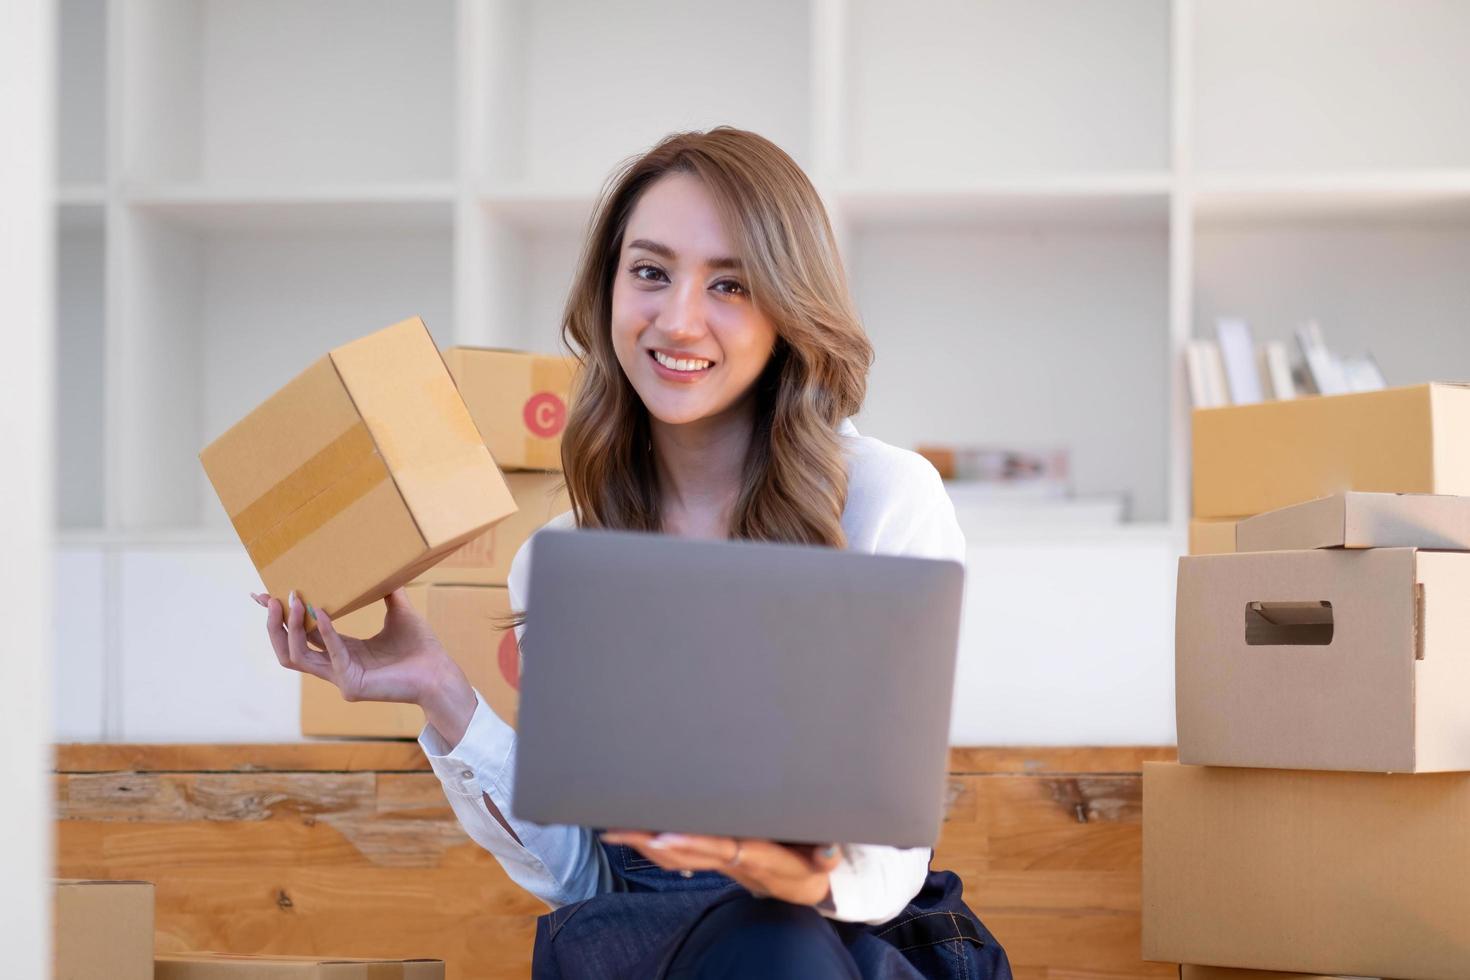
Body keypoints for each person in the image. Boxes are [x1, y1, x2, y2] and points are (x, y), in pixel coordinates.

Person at [253, 126, 1012, 980]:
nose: (678, 318)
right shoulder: (566, 555)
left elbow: (890, 864)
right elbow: (591, 881)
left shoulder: (880, 500)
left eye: (731, 283)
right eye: (650, 272)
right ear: (608, 289)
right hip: (663, 959)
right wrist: (440, 692)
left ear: (788, 309)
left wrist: (783, 870)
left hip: (834, 948)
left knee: (772, 942)